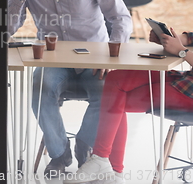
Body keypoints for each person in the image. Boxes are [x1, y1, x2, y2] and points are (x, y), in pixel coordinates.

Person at [8, 0, 133, 177]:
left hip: (95, 59)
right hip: (53, 62)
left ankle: (84, 145)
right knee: (39, 92)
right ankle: (59, 153)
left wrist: (112, 55)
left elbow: (120, 18)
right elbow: (8, 27)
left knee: (107, 96)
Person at [65, 28, 193, 184]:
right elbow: (187, 39)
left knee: (116, 99)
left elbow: (182, 49)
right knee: (115, 80)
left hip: (189, 95)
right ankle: (109, 168)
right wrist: (167, 39)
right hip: (185, 81)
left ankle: (109, 167)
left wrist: (181, 51)